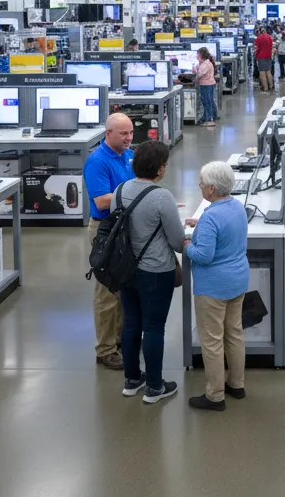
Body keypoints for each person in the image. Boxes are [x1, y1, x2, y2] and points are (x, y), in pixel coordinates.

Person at [116, 140, 183, 404]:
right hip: (156, 271)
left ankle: (132, 380)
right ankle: (155, 387)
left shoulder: (120, 190)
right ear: (159, 169)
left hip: (125, 270)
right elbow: (177, 241)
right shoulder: (161, 196)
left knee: (131, 323)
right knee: (154, 327)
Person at [183, 161, 249, 411]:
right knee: (234, 332)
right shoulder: (236, 207)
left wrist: (189, 246)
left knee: (212, 340)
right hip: (238, 280)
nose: (199, 186)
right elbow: (225, 231)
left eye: (201, 183)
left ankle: (215, 396)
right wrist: (200, 225)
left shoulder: (211, 217)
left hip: (213, 287)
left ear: (211, 189)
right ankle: (237, 384)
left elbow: (204, 256)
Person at [82, 112, 136, 370]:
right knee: (106, 292)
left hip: (125, 227)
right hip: (106, 231)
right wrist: (137, 197)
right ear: (108, 134)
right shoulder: (97, 161)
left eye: (131, 133)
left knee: (123, 287)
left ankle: (119, 340)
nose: (128, 138)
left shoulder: (128, 154)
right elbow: (102, 201)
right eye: (123, 134)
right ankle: (105, 350)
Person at [195, 47, 218, 128]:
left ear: (201, 55)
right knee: (209, 100)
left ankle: (209, 120)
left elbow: (200, 74)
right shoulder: (205, 63)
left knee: (206, 102)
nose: (196, 56)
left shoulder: (205, 64)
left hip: (206, 85)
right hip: (208, 84)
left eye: (197, 54)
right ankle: (212, 116)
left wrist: (195, 72)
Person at [254, 26, 274, 92]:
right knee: (268, 72)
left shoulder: (258, 38)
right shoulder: (270, 37)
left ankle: (265, 88)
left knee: (262, 73)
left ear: (260, 31)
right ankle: (271, 86)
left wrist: (256, 55)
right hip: (268, 56)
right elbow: (271, 47)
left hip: (261, 57)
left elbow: (257, 49)